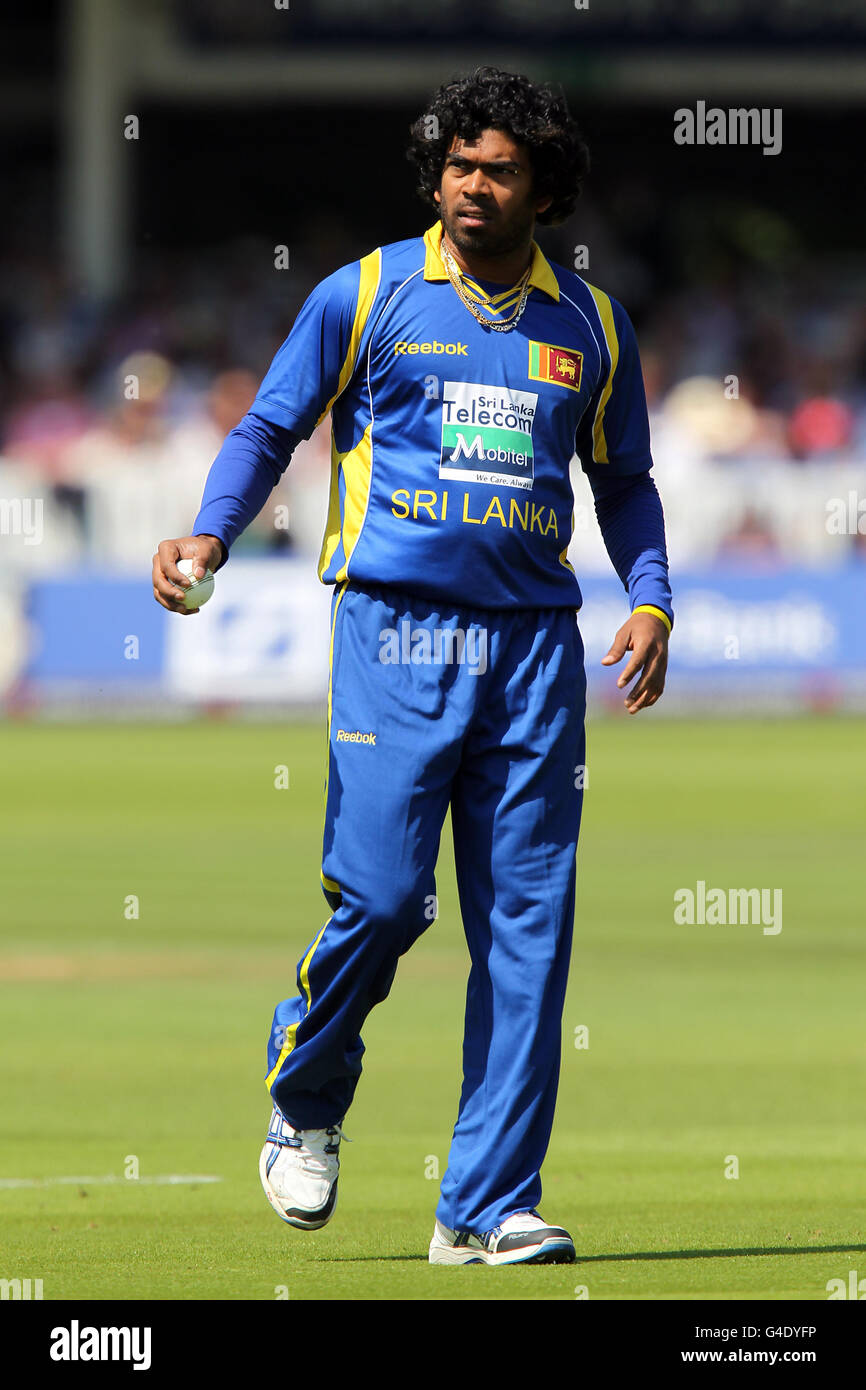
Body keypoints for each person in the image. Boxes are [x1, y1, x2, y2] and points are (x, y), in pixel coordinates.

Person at [152, 66, 673, 1267]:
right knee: (384, 901)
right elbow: (270, 424)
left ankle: (483, 1206)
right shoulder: (369, 292)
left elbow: (625, 478)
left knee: (528, 935)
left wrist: (648, 600)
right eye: (455, 165)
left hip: (537, 651)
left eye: (496, 169)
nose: (470, 186)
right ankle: (307, 1090)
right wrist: (208, 534)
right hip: (396, 633)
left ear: (543, 189)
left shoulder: (589, 324)